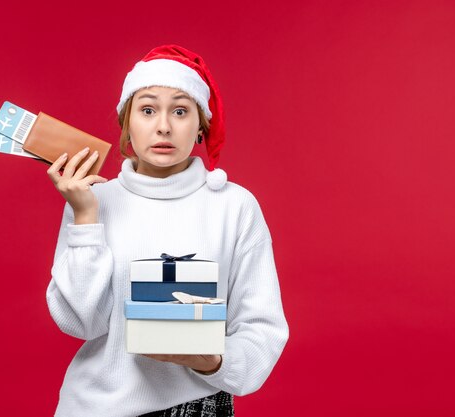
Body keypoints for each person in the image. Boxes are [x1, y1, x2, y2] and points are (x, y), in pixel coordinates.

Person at [45, 44, 289, 417]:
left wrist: (212, 361)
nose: (163, 126)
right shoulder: (92, 201)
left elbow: (262, 331)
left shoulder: (234, 206)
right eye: (147, 110)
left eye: (180, 110)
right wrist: (84, 219)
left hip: (196, 407)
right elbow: (82, 323)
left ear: (200, 127)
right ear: (128, 123)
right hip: (93, 407)